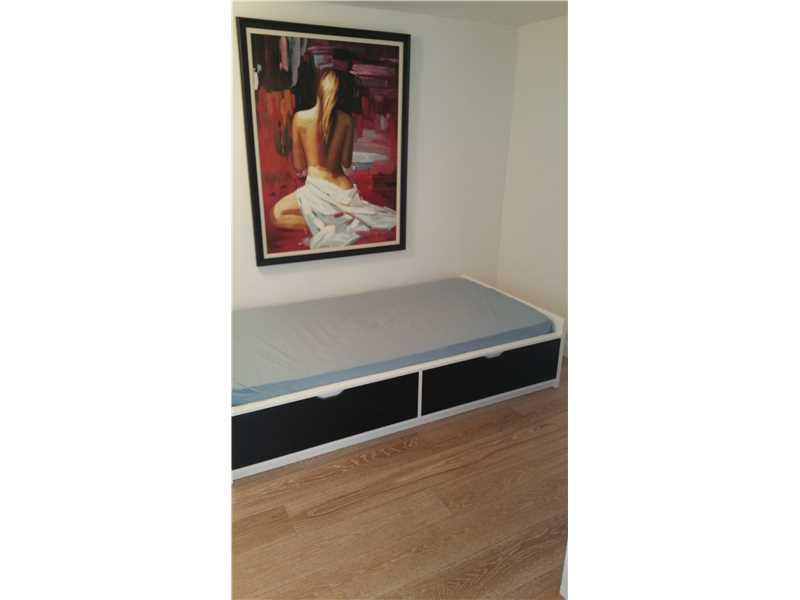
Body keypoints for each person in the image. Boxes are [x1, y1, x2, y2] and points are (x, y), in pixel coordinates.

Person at [271, 69, 396, 248]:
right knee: (336, 213)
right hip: (344, 190)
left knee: (277, 215)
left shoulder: (300, 118)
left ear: (318, 90)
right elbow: (346, 162)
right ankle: (334, 222)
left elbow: (299, 165)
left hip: (317, 188)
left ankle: (327, 224)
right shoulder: (346, 120)